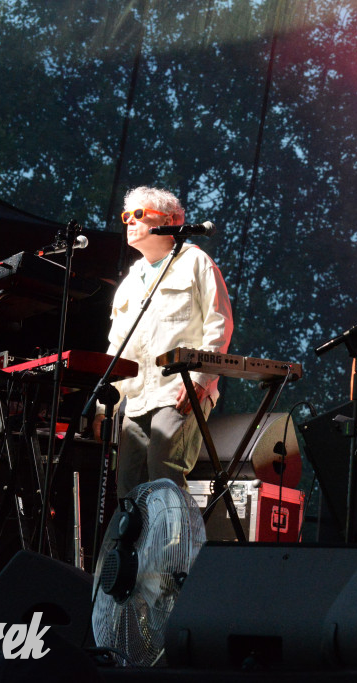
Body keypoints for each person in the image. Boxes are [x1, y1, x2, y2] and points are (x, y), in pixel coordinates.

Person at [93, 186, 233, 496]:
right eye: (126, 216)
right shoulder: (130, 281)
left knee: (163, 477)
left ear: (169, 220)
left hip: (178, 390)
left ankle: (175, 532)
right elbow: (117, 348)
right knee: (128, 489)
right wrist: (105, 408)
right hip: (136, 399)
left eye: (138, 214)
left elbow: (219, 324)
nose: (130, 221)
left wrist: (200, 379)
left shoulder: (196, 262)